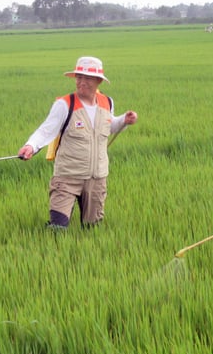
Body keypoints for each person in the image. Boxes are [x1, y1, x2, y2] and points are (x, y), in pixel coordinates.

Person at [18, 56, 138, 229]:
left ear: (98, 81)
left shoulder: (107, 102)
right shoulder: (65, 104)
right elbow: (46, 130)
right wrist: (31, 146)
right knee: (57, 228)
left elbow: (109, 125)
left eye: (87, 78)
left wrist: (124, 121)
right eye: (79, 77)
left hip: (97, 177)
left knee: (93, 228)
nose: (81, 81)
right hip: (67, 176)